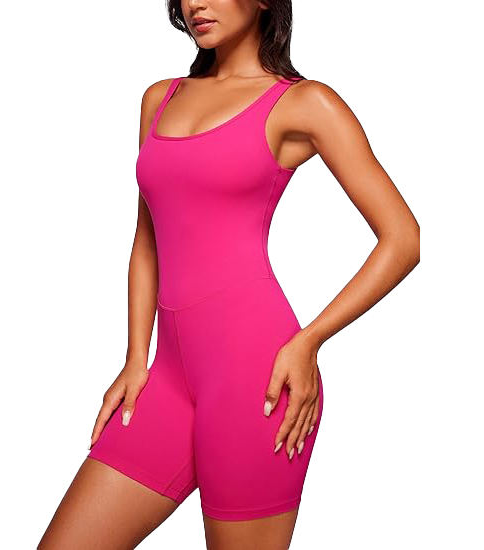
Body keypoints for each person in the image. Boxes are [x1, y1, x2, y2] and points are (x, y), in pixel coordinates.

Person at [38, 1, 420, 548]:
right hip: (168, 377)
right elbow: (147, 240)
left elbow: (403, 238)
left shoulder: (304, 103)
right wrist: (135, 358)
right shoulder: (159, 99)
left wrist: (309, 341)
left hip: (257, 378)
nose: (196, 3)